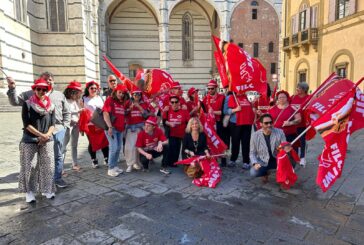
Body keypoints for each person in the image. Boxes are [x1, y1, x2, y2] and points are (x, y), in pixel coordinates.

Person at [7, 72, 71, 188]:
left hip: (57, 130)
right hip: (37, 132)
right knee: (38, 158)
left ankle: (57, 178)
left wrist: (65, 126)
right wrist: (12, 88)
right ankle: (40, 182)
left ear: (54, 81)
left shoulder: (59, 95)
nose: (48, 81)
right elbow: (15, 102)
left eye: (50, 79)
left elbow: (67, 112)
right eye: (45, 79)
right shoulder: (30, 94)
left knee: (58, 156)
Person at [19, 78, 56, 202]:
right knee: (30, 166)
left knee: (48, 165)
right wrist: (40, 135)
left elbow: (53, 123)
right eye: (38, 89)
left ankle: (47, 189)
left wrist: (46, 136)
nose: (41, 91)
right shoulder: (28, 104)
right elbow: (26, 124)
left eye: (44, 89)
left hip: (47, 138)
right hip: (30, 138)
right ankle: (29, 192)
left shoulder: (51, 105)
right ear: (34, 90)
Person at [250, 114, 286, 183]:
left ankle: (283, 177)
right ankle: (265, 173)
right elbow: (252, 153)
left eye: (271, 122)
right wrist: (255, 163)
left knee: (291, 162)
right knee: (253, 172)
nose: (269, 125)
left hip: (277, 158)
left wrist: (284, 148)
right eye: (266, 123)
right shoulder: (255, 135)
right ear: (260, 124)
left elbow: (284, 147)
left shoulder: (280, 132)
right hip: (263, 160)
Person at [124, 88, 154, 173]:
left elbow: (146, 116)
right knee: (129, 146)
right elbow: (123, 113)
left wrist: (140, 107)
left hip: (141, 127)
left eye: (139, 94)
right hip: (131, 127)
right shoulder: (128, 102)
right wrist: (129, 109)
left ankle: (136, 163)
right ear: (132, 95)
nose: (137, 96)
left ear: (141, 95)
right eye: (135, 94)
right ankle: (129, 164)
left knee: (139, 146)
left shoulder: (144, 104)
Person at [103, 84, 128, 177]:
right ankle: (110, 168)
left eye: (123, 93)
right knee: (113, 148)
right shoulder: (110, 100)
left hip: (120, 129)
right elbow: (105, 113)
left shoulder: (122, 102)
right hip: (112, 129)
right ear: (116, 92)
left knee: (118, 148)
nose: (121, 94)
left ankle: (114, 166)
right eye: (119, 92)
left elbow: (122, 116)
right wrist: (109, 127)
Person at [224, 92, 255, 169]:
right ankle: (233, 160)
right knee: (235, 142)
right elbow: (225, 111)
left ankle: (246, 161)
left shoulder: (245, 96)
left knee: (246, 143)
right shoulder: (230, 97)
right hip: (235, 123)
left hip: (247, 123)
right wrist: (235, 110)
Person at [83, 81, 109, 168]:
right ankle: (94, 160)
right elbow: (81, 110)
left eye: (95, 88)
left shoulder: (100, 98)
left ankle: (106, 158)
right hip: (90, 124)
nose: (94, 90)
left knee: (104, 141)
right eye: (92, 88)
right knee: (92, 142)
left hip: (101, 123)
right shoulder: (84, 98)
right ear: (88, 89)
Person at [202, 80, 226, 165]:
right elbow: (203, 112)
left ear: (216, 88)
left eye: (212, 88)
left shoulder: (222, 97)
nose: (210, 90)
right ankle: (213, 159)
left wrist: (213, 112)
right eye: (208, 88)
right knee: (211, 142)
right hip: (209, 124)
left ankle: (223, 160)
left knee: (221, 141)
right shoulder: (205, 99)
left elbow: (223, 112)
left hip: (219, 122)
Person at [163, 95, 190, 168]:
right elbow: (164, 121)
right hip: (173, 133)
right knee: (173, 149)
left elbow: (188, 122)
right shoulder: (167, 110)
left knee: (185, 149)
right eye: (172, 102)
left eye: (176, 102)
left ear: (179, 102)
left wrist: (187, 131)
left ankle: (186, 164)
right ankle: (172, 163)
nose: (174, 104)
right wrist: (169, 123)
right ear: (170, 103)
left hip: (183, 133)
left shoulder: (184, 111)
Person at [63, 81, 83, 171]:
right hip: (67, 125)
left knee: (74, 145)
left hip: (76, 124)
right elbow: (65, 112)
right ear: (71, 92)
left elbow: (80, 111)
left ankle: (74, 163)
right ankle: (60, 167)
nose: (78, 95)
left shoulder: (76, 101)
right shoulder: (64, 100)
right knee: (63, 146)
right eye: (77, 93)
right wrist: (78, 111)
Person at [291, 82, 310, 166]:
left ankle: (302, 157)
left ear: (304, 90)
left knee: (302, 141)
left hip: (303, 124)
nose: (297, 89)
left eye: (299, 88)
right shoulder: (293, 97)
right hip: (293, 123)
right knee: (294, 141)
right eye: (297, 88)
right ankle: (295, 157)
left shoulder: (309, 98)